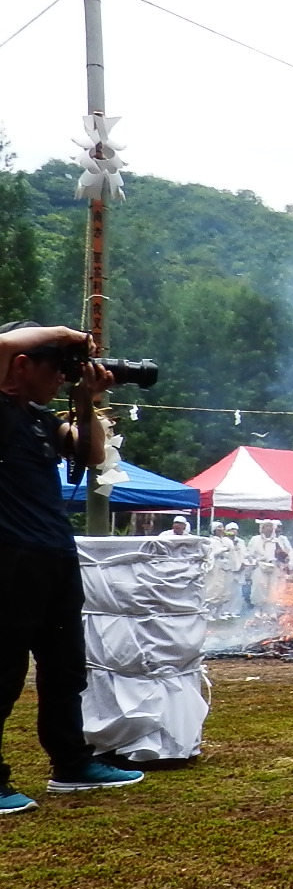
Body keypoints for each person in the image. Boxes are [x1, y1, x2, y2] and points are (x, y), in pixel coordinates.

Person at [0, 322, 148, 809]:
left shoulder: (40, 419)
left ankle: (71, 762)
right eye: (55, 368)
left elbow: (90, 452)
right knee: (0, 672)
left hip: (54, 555)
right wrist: (67, 334)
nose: (61, 378)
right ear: (21, 366)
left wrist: (85, 399)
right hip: (9, 557)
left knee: (64, 667)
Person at [244, 518, 291, 614]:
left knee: (273, 589)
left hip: (274, 567)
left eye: (270, 526)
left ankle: (271, 611)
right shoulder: (255, 539)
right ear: (262, 528)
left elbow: (284, 555)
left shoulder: (277, 541)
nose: (269, 528)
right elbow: (248, 554)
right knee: (259, 587)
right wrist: (254, 563)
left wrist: (284, 560)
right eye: (267, 526)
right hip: (260, 567)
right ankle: (258, 610)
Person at [202, 521, 241, 621]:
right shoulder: (211, 541)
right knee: (214, 590)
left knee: (225, 591)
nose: (221, 529)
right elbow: (211, 554)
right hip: (216, 567)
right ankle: (208, 613)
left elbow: (232, 552)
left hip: (226, 567)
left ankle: (219, 613)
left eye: (222, 527)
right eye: (218, 528)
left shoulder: (226, 540)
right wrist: (223, 550)